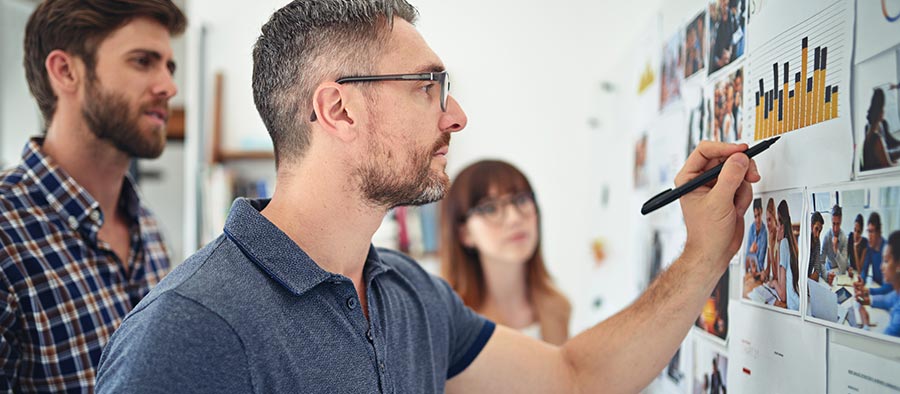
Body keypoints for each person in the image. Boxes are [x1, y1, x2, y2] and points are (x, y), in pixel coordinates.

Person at [95, 1, 760, 392]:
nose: (457, 115)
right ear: (339, 110)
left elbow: (575, 377)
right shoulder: (187, 332)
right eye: (428, 88)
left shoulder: (409, 294)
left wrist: (704, 253)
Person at [0, 1, 185, 391]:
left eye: (169, 66)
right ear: (66, 71)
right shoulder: (6, 235)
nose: (169, 87)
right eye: (142, 61)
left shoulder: (148, 230)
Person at [440, 160, 571, 345]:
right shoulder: (452, 325)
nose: (514, 218)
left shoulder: (558, 308)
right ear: (465, 233)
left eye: (522, 200)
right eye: (490, 208)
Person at [857, 231, 900, 337]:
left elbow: (878, 348)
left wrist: (865, 323)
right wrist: (868, 300)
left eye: (885, 261)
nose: (881, 267)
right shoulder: (897, 294)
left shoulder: (897, 322)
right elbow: (886, 300)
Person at [861, 88, 900, 171]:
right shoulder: (876, 138)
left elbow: (891, 143)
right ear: (880, 112)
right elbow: (887, 165)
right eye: (883, 109)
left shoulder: (874, 132)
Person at [774, 200, 800, 311]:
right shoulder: (791, 242)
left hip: (792, 307)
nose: (776, 228)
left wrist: (773, 283)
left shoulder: (784, 244)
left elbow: (783, 295)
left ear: (782, 226)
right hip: (797, 302)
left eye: (777, 225)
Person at [861, 213, 894, 296]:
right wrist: (861, 280)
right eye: (868, 231)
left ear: (879, 232)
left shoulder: (887, 250)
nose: (869, 236)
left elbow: (888, 288)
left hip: (888, 295)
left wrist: (869, 291)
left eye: (872, 232)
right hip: (877, 288)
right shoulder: (870, 247)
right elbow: (865, 269)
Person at [822, 205, 850, 274]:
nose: (835, 228)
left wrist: (836, 250)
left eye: (838, 224)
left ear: (841, 221)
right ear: (831, 221)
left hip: (841, 271)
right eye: (833, 224)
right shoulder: (826, 237)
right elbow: (821, 262)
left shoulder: (844, 238)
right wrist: (826, 275)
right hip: (830, 270)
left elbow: (843, 268)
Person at [745, 198, 767, 280]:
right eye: (755, 216)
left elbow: (761, 261)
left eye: (759, 215)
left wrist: (751, 253)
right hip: (751, 272)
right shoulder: (751, 229)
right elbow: (747, 257)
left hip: (759, 273)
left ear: (761, 211)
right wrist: (751, 252)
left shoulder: (764, 232)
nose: (757, 219)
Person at [808, 212, 826, 280]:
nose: (818, 235)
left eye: (820, 231)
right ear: (811, 226)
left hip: (808, 279)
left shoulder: (817, 242)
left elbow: (817, 271)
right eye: (816, 229)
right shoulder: (804, 241)